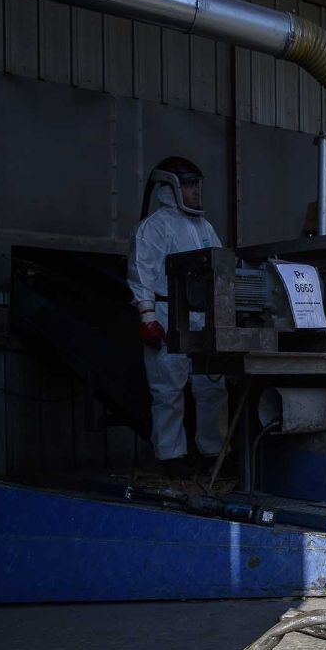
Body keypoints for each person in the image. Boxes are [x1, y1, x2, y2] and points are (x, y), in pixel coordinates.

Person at [127, 156, 229, 476]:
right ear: (170, 188)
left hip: (202, 316)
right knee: (168, 390)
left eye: (197, 185)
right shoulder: (153, 228)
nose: (196, 191)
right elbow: (141, 273)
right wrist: (147, 317)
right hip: (166, 312)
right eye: (189, 185)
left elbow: (220, 268)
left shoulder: (204, 227)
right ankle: (171, 457)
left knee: (212, 387)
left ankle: (213, 453)